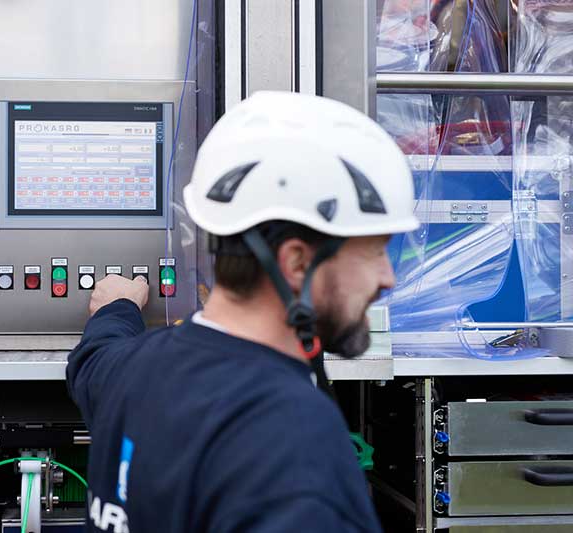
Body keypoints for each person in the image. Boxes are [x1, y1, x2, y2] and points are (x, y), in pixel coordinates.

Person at [67, 91, 419, 533]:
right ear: (296, 263)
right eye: (373, 252)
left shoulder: (129, 370)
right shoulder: (292, 443)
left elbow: (92, 356)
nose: (388, 277)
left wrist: (118, 306)